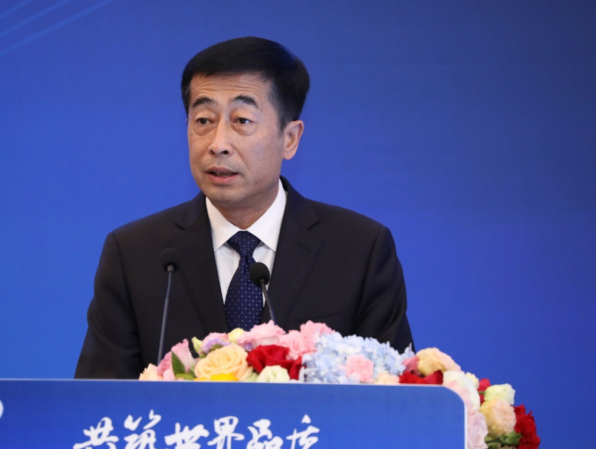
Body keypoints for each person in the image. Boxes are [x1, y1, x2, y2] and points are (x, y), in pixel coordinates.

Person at [75, 37, 413, 379]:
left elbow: (394, 394)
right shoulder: (135, 254)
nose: (218, 144)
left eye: (242, 120)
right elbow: (98, 400)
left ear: (290, 138)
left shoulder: (359, 250)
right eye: (203, 120)